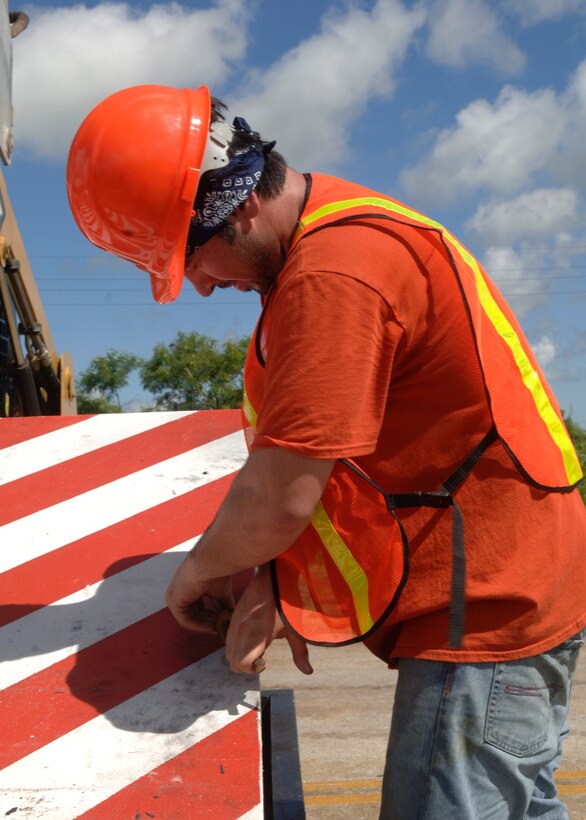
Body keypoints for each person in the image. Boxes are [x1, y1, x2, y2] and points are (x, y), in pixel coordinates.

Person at [67, 84, 586, 819]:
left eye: (195, 262)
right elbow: (345, 467)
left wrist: (200, 572)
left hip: (489, 611)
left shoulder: (332, 274)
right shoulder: (338, 232)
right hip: (522, 586)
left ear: (237, 204)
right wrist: (279, 586)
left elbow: (283, 491)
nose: (204, 289)